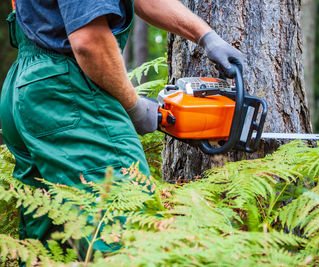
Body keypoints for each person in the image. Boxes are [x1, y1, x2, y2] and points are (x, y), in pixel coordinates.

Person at [0, 0, 244, 256]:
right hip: (68, 91)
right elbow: (88, 40)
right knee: (128, 236)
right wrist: (134, 106)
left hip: (30, 87)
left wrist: (205, 36)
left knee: (51, 248)